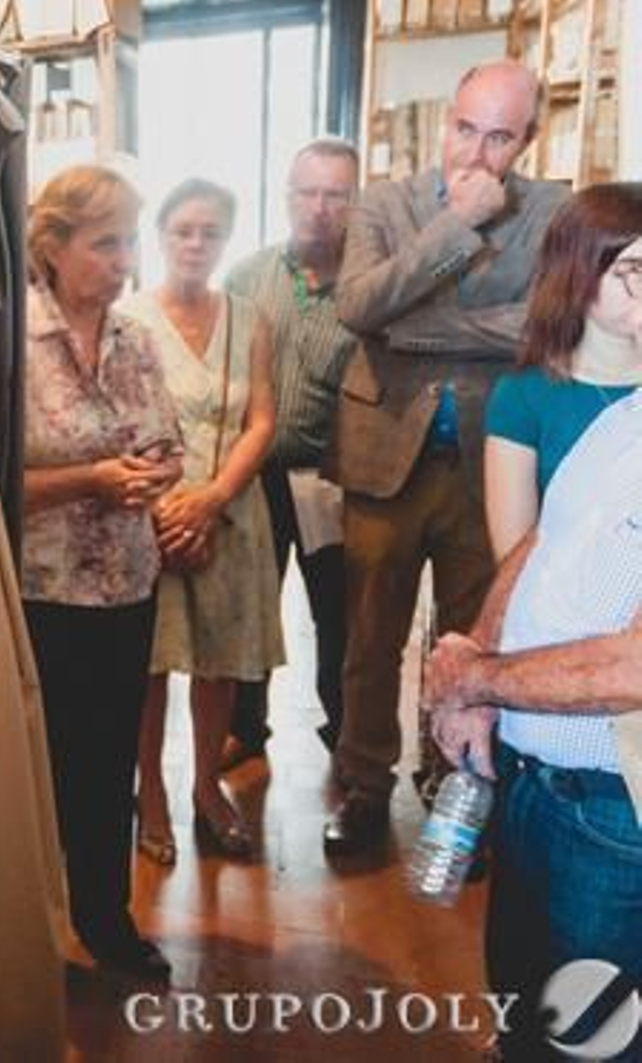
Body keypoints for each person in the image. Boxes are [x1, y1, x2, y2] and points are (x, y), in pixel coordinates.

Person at [322, 60, 568, 856]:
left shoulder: (555, 213)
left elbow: (542, 329)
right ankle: (362, 787)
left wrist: (411, 322)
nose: (478, 151)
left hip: (492, 466)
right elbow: (359, 306)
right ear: (445, 122)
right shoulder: (384, 203)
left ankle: (451, 782)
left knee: (471, 641)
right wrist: (454, 225)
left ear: (527, 139)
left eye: (500, 136)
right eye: (466, 128)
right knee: (370, 637)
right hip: (384, 454)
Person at [423, 212, 642, 1055]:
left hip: (612, 813)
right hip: (529, 777)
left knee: (588, 1034)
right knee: (520, 1005)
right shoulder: (622, 417)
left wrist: (479, 679)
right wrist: (480, 647)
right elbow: (542, 541)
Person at [21, 165, 185, 982]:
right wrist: (92, 480)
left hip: (128, 582)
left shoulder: (136, 338)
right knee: (42, 764)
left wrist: (153, 476)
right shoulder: (8, 343)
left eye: (129, 242)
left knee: (109, 756)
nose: (125, 262)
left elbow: (169, 444)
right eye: (106, 243)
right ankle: (31, 932)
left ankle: (105, 916)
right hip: (39, 593)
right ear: (52, 246)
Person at [121, 178, 282, 865]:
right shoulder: (126, 318)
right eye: (182, 229)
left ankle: (206, 785)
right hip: (148, 516)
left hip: (231, 512)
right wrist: (166, 510)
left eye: (209, 232)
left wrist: (212, 500)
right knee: (150, 665)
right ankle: (149, 788)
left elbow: (263, 418)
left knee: (219, 662)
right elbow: (116, 427)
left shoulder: (249, 318)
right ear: (159, 235)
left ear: (226, 240)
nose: (195, 243)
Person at [225, 138, 361, 765]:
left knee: (337, 611)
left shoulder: (370, 289)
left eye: (336, 194)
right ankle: (243, 731)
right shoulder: (249, 278)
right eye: (308, 192)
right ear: (286, 197)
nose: (320, 207)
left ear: (355, 204)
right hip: (252, 475)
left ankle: (343, 732)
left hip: (331, 481)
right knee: (250, 607)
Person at [484, 184, 642, 560]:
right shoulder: (524, 396)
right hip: (566, 608)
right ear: (579, 273)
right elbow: (514, 558)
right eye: (632, 270)